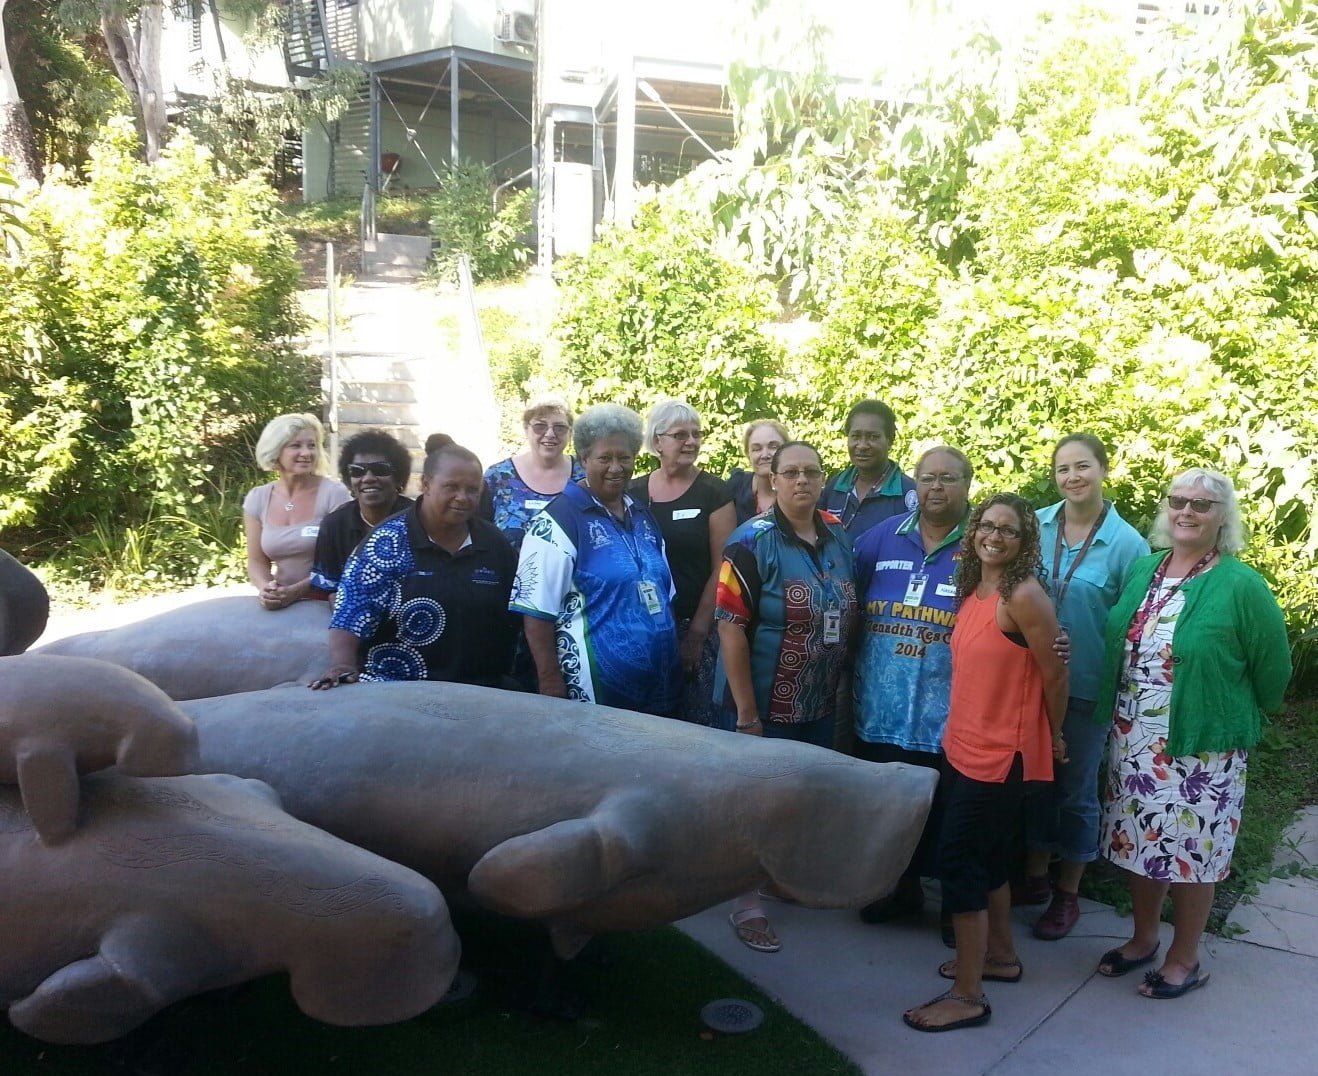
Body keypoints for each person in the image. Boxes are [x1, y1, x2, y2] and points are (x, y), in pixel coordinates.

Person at [1093, 469, 1290, 998]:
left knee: (1192, 852)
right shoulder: (1145, 569)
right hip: (1135, 738)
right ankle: (1142, 941)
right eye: (1178, 500)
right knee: (1140, 842)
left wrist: (1234, 713)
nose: (1187, 511)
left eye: (1202, 505)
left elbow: (1274, 669)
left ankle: (1186, 959)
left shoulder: (1241, 585)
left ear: (1222, 517)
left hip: (1204, 746)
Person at [904, 493, 1067, 1033]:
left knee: (961, 867)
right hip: (962, 747)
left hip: (1002, 756)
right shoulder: (975, 589)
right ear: (974, 532)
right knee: (992, 862)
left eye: (1009, 530)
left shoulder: (1023, 596)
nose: (995, 536)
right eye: (987, 526)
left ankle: (968, 995)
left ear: (1025, 542)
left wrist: (1055, 734)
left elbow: (1055, 673)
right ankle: (999, 956)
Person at [714, 440, 859, 953]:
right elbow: (730, 628)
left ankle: (779, 878)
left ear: (824, 481)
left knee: (799, 796)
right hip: (761, 701)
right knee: (756, 801)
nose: (802, 481)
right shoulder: (750, 543)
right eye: (791, 472)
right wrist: (747, 715)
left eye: (811, 472)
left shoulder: (838, 536)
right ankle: (744, 899)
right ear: (772, 480)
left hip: (818, 700)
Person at [1016, 434, 1150, 938]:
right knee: (1033, 782)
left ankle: (1068, 892)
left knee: (1074, 789)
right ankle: (1033, 877)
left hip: (1087, 686)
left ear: (1103, 469)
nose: (1073, 477)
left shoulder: (1128, 544)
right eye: (1063, 469)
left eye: (1083, 467)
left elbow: (1133, 624)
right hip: (1028, 680)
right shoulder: (1036, 524)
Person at [852, 447, 974, 934]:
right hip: (879, 709)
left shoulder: (982, 545)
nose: (936, 488)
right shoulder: (879, 539)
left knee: (948, 816)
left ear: (967, 483)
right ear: (914, 484)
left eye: (947, 478)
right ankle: (896, 891)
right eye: (927, 478)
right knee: (888, 813)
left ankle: (953, 910)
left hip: (949, 716)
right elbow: (846, 595)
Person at [510, 403, 680, 717]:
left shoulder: (642, 515)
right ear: (585, 458)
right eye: (605, 458)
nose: (616, 467)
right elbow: (536, 611)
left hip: (661, 684)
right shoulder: (558, 522)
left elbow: (664, 591)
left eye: (624, 457)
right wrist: (550, 682)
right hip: (596, 692)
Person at [309, 442, 517, 689]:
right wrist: (343, 665)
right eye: (451, 487)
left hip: (479, 691)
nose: (462, 497)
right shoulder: (386, 543)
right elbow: (350, 614)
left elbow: (518, 615)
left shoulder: (494, 544)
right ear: (425, 484)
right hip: (396, 690)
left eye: (472, 490)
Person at [629, 401, 736, 727]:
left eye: (696, 434)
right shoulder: (632, 491)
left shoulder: (714, 492)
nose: (691, 441)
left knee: (695, 722)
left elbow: (723, 565)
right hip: (642, 627)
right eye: (681, 435)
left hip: (696, 625)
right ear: (657, 441)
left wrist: (697, 634)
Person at [243, 413, 350, 611]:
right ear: (276, 451)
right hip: (281, 603)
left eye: (311, 445)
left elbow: (346, 560)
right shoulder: (257, 498)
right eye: (296, 446)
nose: (306, 453)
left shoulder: (334, 494)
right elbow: (256, 561)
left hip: (328, 602)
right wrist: (267, 589)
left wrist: (296, 591)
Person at [309, 429, 415, 597]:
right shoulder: (334, 525)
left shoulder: (420, 521)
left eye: (380, 469)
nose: (368, 478)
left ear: (398, 477)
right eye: (358, 471)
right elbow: (327, 589)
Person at [481, 398, 586, 550]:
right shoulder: (498, 477)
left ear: (570, 432)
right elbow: (477, 531)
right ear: (526, 429)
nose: (550, 434)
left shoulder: (585, 475)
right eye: (540, 426)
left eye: (560, 427)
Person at [818, 399, 917, 540]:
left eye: (873, 437)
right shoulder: (835, 486)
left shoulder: (908, 492)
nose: (862, 445)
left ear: (890, 441)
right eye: (856, 436)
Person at [726, 419, 789, 525]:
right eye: (756, 449)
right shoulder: (735, 488)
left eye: (773, 447)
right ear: (748, 454)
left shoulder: (800, 488)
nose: (765, 455)